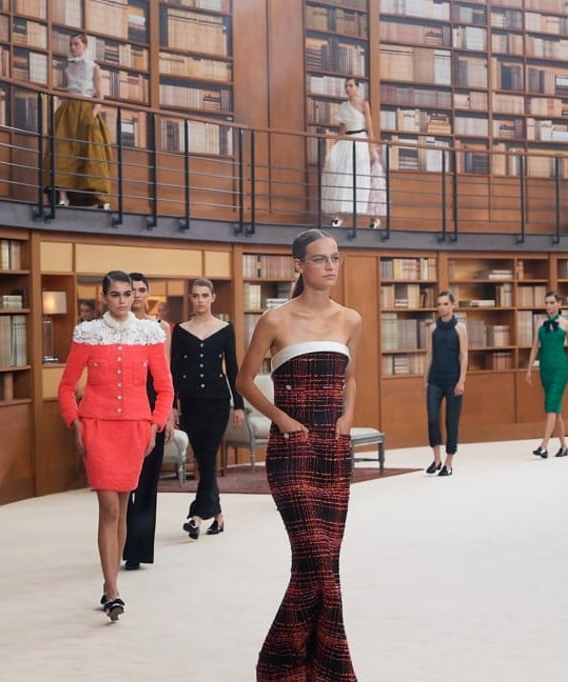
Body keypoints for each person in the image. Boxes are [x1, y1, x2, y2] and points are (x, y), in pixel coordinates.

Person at [237, 228, 361, 681]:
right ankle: (284, 665)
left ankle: (317, 668)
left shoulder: (350, 319)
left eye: (335, 258)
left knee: (324, 566)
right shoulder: (275, 319)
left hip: (332, 450)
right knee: (314, 556)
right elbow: (245, 380)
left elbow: (350, 378)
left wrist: (348, 417)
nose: (330, 266)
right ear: (298, 265)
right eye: (320, 258)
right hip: (291, 452)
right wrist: (282, 419)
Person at [57, 270, 173, 621]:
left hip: (135, 430)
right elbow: (66, 387)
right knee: (108, 508)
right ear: (104, 297)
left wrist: (155, 424)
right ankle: (112, 589)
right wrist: (74, 421)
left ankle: (112, 582)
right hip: (98, 428)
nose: (122, 300)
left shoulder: (150, 333)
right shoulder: (88, 334)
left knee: (122, 508)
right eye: (116, 295)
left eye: (127, 294)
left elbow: (165, 388)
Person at [172, 278, 245, 539]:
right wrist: (172, 405)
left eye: (205, 295)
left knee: (208, 456)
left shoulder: (225, 329)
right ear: (190, 299)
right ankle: (218, 516)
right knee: (204, 460)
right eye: (195, 295)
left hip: (217, 402)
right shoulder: (180, 330)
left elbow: (234, 368)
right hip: (190, 402)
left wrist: (239, 405)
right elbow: (174, 370)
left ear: (213, 297)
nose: (200, 300)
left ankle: (196, 516)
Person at [121, 273, 174, 571]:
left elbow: (165, 373)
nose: (137, 295)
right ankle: (121, 539)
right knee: (122, 482)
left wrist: (168, 412)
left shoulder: (160, 328)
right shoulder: (117, 327)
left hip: (154, 403)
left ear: (148, 293)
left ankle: (137, 550)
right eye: (132, 290)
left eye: (142, 290)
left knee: (147, 480)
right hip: (124, 405)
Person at [46, 32, 112, 210]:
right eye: (71, 44)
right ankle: (63, 195)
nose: (73, 47)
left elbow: (100, 96)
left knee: (92, 151)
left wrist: (92, 115)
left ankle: (102, 198)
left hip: (86, 110)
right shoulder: (67, 68)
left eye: (76, 44)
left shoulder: (94, 67)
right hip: (68, 110)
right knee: (62, 151)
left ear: (85, 46)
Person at [321, 77, 380, 230]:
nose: (348, 88)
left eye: (351, 85)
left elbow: (370, 128)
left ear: (357, 88)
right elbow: (341, 129)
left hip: (360, 142)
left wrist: (371, 147)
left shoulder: (364, 105)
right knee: (343, 177)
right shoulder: (343, 107)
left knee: (360, 177)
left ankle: (369, 216)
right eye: (346, 86)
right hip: (347, 141)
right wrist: (334, 147)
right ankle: (339, 216)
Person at [525, 291, 568, 458]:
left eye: (552, 302)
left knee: (551, 406)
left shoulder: (566, 325)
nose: (549, 306)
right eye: (546, 303)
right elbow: (535, 347)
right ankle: (563, 446)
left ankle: (544, 445)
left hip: (560, 370)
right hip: (545, 369)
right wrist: (529, 369)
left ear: (559, 304)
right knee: (555, 409)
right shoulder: (539, 323)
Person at [423, 291, 468, 476]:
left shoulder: (460, 328)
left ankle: (449, 462)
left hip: (453, 381)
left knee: (451, 421)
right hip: (435, 380)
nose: (441, 307)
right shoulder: (433, 328)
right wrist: (425, 379)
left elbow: (464, 356)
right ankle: (436, 459)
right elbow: (430, 354)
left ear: (452, 305)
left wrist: (462, 381)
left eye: (444, 304)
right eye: (439, 304)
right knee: (433, 419)